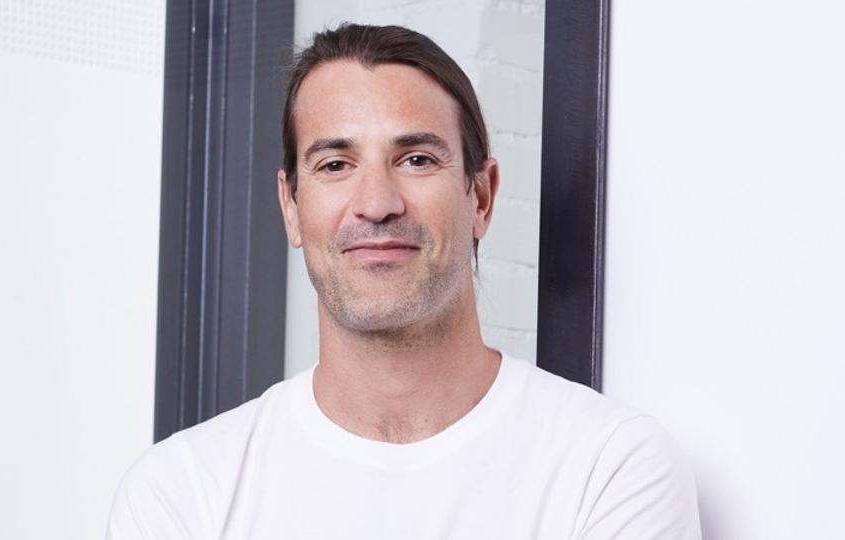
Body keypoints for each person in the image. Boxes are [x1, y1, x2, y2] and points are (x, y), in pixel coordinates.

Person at [106, 23, 701, 539]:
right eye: (335, 165)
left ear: (481, 197)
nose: (376, 203)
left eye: (417, 159)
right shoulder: (181, 492)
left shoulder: (609, 467)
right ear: (291, 207)